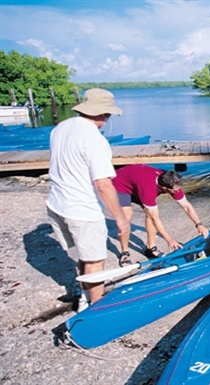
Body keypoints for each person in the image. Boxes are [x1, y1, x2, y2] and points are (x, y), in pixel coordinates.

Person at [46, 88, 130, 310]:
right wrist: (120, 218)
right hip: (81, 207)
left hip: (56, 203)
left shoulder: (60, 128)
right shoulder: (95, 140)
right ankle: (95, 306)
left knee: (85, 253)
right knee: (94, 260)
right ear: (105, 114)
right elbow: (103, 184)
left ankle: (85, 295)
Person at [112, 164, 210, 264]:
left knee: (149, 213)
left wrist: (199, 224)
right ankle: (124, 252)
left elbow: (186, 206)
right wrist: (169, 240)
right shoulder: (149, 189)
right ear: (164, 188)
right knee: (127, 216)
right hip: (119, 184)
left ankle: (150, 248)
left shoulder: (171, 180)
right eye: (175, 190)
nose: (177, 191)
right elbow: (155, 218)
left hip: (137, 183)